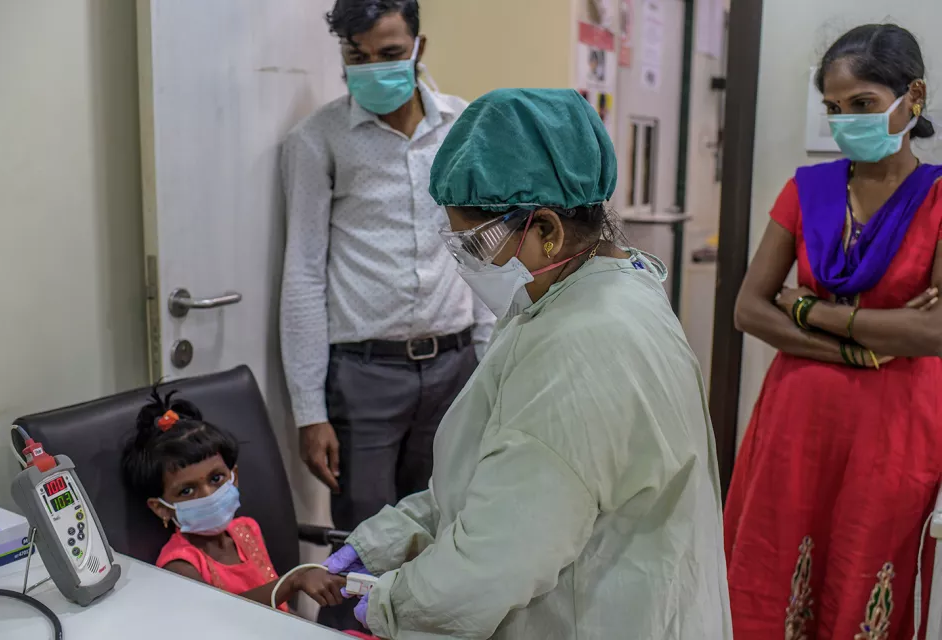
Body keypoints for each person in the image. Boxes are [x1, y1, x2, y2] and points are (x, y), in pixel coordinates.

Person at [322, 88, 732, 639]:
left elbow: (498, 559)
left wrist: (393, 605)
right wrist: (391, 538)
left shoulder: (583, 346)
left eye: (474, 243)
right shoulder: (593, 292)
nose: (466, 261)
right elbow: (501, 473)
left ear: (546, 230)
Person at [280, 1, 492, 627]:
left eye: (390, 54)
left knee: (446, 531)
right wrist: (308, 410)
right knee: (361, 546)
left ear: (418, 45)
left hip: (456, 364)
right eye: (357, 57)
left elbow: (478, 248)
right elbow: (301, 272)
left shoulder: (463, 127)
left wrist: (487, 358)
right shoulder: (317, 139)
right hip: (364, 377)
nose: (373, 69)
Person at [726, 24, 942, 639]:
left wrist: (806, 309)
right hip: (797, 424)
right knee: (773, 575)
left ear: (913, 97)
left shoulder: (939, 199)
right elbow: (748, 308)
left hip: (895, 430)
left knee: (864, 573)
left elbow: (934, 334)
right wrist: (871, 344)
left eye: (863, 105)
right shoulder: (807, 190)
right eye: (834, 108)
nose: (846, 120)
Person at [120, 388, 347, 613]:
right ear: (161, 508)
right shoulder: (180, 566)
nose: (208, 494)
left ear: (233, 477)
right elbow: (221, 618)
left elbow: (283, 611)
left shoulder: (247, 530)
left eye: (216, 478)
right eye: (187, 490)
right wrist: (293, 581)